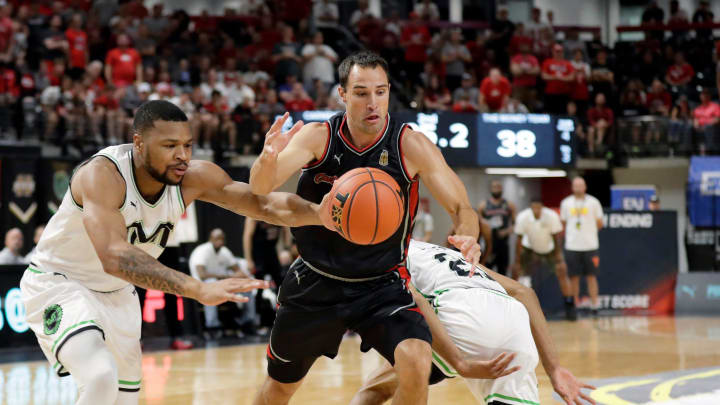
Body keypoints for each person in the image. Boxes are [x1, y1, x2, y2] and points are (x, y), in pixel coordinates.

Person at [20, 100, 332, 405]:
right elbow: (114, 256)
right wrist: (197, 289)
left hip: (117, 294)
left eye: (187, 145)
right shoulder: (103, 175)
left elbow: (262, 204)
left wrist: (322, 213)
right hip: (60, 282)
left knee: (123, 398)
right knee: (100, 377)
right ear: (139, 143)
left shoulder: (192, 177)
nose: (182, 156)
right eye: (169, 146)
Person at [249, 51, 482, 405]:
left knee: (417, 360)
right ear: (342, 94)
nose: (372, 103)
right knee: (280, 387)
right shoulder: (318, 137)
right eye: (360, 93)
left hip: (381, 282)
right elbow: (260, 186)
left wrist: (468, 234)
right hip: (315, 279)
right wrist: (266, 160)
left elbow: (462, 207)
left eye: (380, 91)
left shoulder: (410, 145)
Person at [350, 241, 595, 405]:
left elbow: (413, 297)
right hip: (513, 323)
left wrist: (460, 363)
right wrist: (554, 369)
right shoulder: (449, 255)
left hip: (459, 315)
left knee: (380, 386)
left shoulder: (388, 251)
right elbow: (524, 293)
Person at [513, 197, 576, 321]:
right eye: (534, 207)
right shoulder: (523, 217)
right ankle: (518, 308)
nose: (536, 210)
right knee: (519, 275)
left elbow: (556, 238)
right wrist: (517, 261)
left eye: (538, 207)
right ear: (531, 208)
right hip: (529, 248)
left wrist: (559, 257)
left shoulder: (551, 216)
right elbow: (519, 241)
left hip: (549, 249)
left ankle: (570, 306)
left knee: (562, 272)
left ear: (542, 207)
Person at [190, 228, 256, 337]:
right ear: (210, 239)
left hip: (221, 282)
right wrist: (225, 276)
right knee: (210, 285)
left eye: (222, 239)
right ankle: (213, 327)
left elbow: (239, 271)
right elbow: (202, 275)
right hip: (202, 284)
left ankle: (247, 322)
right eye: (217, 238)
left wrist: (239, 277)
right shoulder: (202, 251)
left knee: (246, 285)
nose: (219, 241)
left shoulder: (224, 251)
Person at [560, 177, 604, 316]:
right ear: (572, 187)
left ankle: (595, 305)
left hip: (590, 245)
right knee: (574, 278)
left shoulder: (594, 202)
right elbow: (564, 223)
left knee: (592, 277)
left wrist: (588, 233)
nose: (578, 188)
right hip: (572, 246)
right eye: (576, 185)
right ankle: (575, 306)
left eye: (581, 185)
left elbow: (600, 223)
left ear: (585, 187)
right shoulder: (566, 203)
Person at [479, 180, 516, 277]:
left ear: (502, 189)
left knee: (503, 273)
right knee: (486, 272)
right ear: (490, 189)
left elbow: (516, 225)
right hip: (489, 245)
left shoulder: (509, 205)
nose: (496, 188)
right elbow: (478, 224)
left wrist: (507, 231)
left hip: (503, 244)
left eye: (498, 186)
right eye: (494, 186)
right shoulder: (483, 205)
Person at [541, 44, 574, 114]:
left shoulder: (567, 63)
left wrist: (559, 78)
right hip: (550, 93)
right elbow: (544, 76)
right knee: (549, 112)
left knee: (563, 113)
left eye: (560, 51)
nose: (558, 53)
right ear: (553, 52)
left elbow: (572, 77)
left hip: (563, 94)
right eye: (556, 51)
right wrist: (556, 77)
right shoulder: (547, 62)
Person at [692, 88, 720, 154]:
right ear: (700, 96)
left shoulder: (715, 106)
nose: (704, 96)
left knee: (708, 128)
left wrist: (705, 125)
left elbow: (717, 119)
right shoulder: (698, 108)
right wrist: (696, 125)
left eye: (706, 94)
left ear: (709, 96)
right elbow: (695, 119)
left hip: (712, 127)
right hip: (700, 128)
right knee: (689, 127)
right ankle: (689, 151)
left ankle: (709, 151)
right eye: (703, 94)